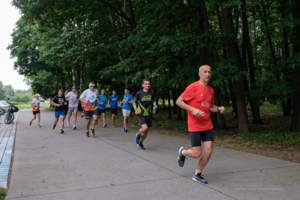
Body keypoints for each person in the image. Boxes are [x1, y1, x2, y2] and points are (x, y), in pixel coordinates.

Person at [176, 65, 225, 184]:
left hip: (207, 125)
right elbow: (179, 101)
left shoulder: (211, 90)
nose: (207, 74)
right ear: (199, 74)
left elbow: (210, 106)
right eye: (205, 72)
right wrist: (193, 109)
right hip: (195, 125)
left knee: (208, 151)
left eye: (209, 72)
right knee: (197, 153)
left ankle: (197, 174)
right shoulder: (193, 87)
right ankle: (182, 152)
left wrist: (218, 108)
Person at [133, 78, 158, 150]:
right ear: (143, 85)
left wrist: (155, 105)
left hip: (149, 114)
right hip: (141, 114)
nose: (148, 85)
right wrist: (135, 109)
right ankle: (138, 135)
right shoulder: (139, 93)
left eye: (149, 84)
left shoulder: (152, 93)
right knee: (145, 128)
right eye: (146, 84)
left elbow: (154, 101)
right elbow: (134, 101)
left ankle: (140, 142)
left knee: (146, 131)